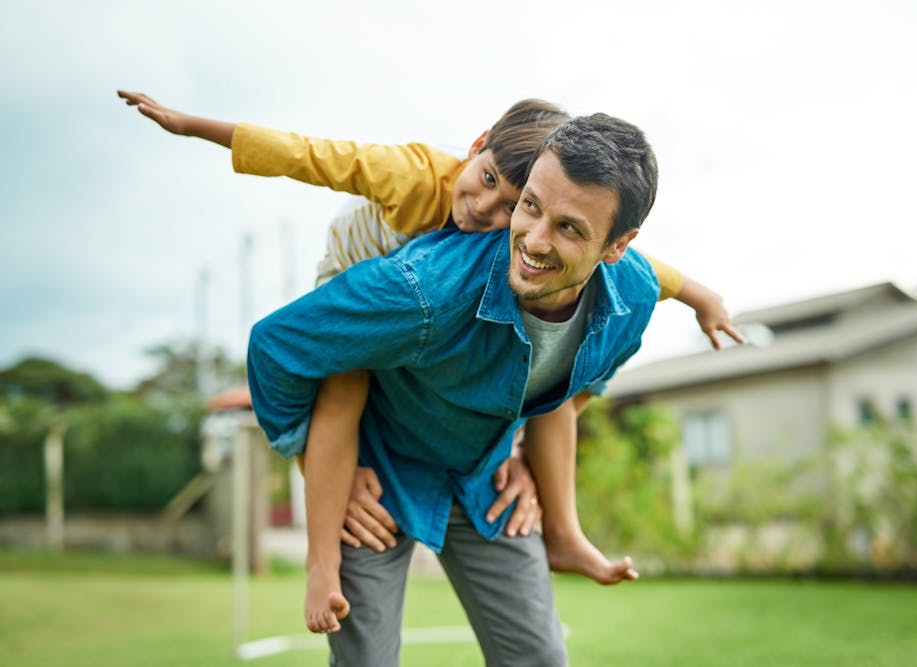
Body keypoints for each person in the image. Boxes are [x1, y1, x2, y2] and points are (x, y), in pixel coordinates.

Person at [117, 90, 742, 634]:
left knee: (548, 377)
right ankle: (320, 564)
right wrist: (193, 125)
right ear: (475, 147)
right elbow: (309, 155)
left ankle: (566, 532)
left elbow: (644, 273)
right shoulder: (415, 179)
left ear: (611, 245)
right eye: (502, 189)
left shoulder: (574, 262)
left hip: (454, 389)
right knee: (342, 392)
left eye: (521, 207)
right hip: (359, 299)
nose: (490, 214)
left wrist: (703, 297)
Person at [247, 111, 664, 666]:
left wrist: (524, 452)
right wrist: (315, 461)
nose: (534, 240)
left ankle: (564, 537)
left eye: (569, 227)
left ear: (618, 245)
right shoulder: (424, 289)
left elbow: (568, 389)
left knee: (541, 659)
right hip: (379, 476)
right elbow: (277, 343)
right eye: (530, 206)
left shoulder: (632, 301)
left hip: (483, 475)